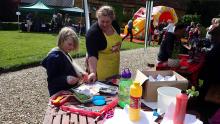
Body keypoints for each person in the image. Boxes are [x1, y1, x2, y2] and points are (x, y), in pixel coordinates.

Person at [42, 27, 87, 96]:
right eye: (70, 44)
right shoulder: (53, 58)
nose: (72, 47)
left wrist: (82, 73)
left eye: (73, 45)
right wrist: (66, 79)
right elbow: (52, 80)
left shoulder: (65, 53)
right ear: (62, 40)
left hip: (69, 90)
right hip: (58, 93)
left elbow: (72, 65)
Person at [86, 5, 122, 82]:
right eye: (102, 21)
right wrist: (92, 72)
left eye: (108, 22)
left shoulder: (115, 25)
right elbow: (92, 55)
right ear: (97, 18)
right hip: (100, 70)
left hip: (114, 66)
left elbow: (118, 40)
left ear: (112, 20)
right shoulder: (93, 33)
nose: (105, 24)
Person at [196, 22, 220, 123]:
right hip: (212, 84)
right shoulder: (216, 48)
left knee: (208, 111)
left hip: (212, 86)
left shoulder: (217, 50)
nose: (212, 37)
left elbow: (210, 69)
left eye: (214, 35)